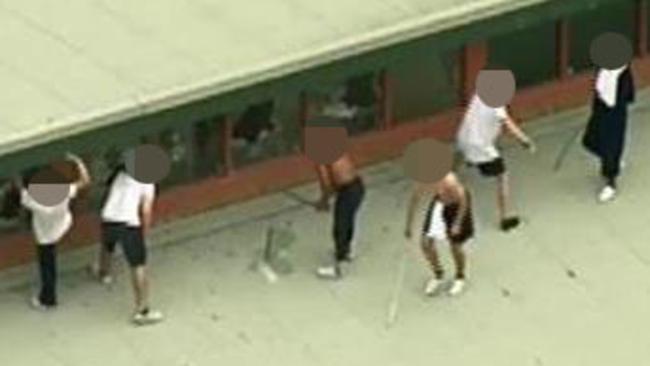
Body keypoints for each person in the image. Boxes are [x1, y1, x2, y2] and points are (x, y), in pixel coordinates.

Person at [89, 164, 164, 326]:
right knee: (138, 265)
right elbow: (146, 210)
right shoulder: (147, 182)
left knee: (107, 245)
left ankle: (104, 273)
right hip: (128, 222)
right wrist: (144, 234)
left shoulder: (121, 174)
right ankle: (142, 310)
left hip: (109, 217)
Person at [19, 154, 90, 309]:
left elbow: (18, 189)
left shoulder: (32, 199)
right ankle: (47, 298)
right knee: (49, 265)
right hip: (63, 224)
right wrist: (78, 162)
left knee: (47, 268)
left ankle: (48, 299)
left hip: (45, 237)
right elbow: (84, 181)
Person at [457, 93, 535, 231]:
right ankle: (504, 218)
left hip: (463, 139)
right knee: (502, 177)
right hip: (480, 148)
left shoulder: (479, 95)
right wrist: (525, 141)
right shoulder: (497, 106)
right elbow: (509, 126)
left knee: (467, 153)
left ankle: (455, 170)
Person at [404, 172, 474, 296]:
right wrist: (409, 225)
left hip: (455, 207)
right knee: (425, 243)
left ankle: (459, 276)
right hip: (440, 204)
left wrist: (457, 223)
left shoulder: (449, 181)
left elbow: (463, 200)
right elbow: (414, 201)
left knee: (455, 246)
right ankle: (438, 274)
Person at [582, 64, 635, 202]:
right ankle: (612, 160)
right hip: (601, 108)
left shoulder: (623, 71)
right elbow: (598, 85)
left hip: (615, 112)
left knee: (611, 143)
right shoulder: (602, 67)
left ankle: (611, 183)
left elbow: (627, 94)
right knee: (589, 140)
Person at [314, 152, 365, 279]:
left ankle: (339, 268)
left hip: (347, 191)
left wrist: (323, 202)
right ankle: (346, 252)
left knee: (340, 226)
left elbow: (326, 184)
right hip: (357, 186)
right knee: (347, 221)